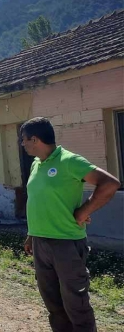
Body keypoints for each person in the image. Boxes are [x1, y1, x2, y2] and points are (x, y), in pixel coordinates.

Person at [20, 117, 120, 332]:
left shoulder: (69, 161)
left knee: (76, 303)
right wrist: (31, 234)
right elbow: (39, 201)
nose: (22, 144)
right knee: (53, 303)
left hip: (66, 243)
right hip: (41, 242)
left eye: (24, 140)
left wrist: (85, 210)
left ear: (34, 139)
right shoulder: (36, 164)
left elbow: (110, 183)